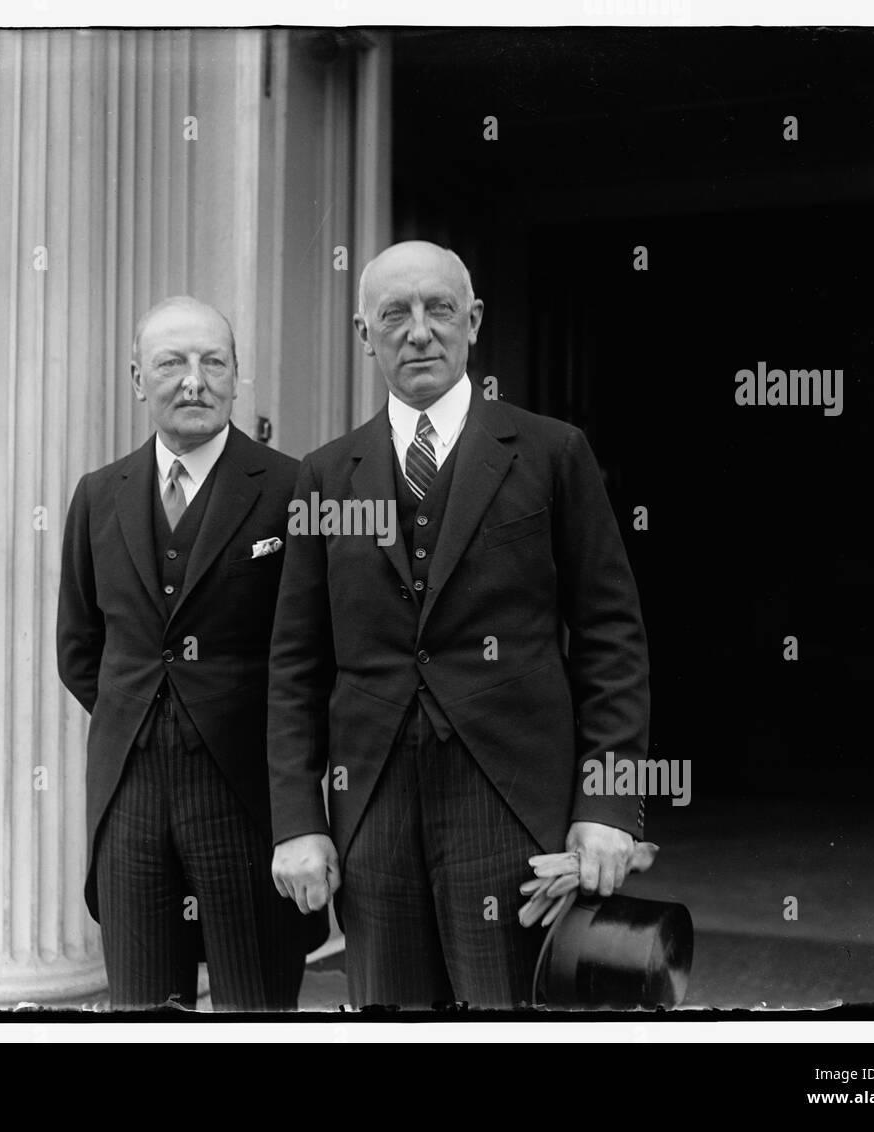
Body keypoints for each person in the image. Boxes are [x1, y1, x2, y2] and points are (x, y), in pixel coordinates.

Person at [267, 242, 650, 1008]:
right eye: (394, 314)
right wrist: (298, 821)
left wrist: (607, 808)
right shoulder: (326, 474)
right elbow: (296, 665)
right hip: (372, 815)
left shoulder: (551, 453)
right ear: (363, 332)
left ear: (472, 321)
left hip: (511, 805)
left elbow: (612, 640)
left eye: (439, 309)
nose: (419, 331)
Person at [57, 296, 326, 1010]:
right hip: (130, 795)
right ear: (139, 379)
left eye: (213, 362)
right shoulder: (97, 496)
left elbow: (315, 654)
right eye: (172, 363)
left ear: (238, 378)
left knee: (254, 1005)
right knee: (142, 1008)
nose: (194, 380)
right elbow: (81, 649)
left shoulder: (294, 487)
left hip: (247, 795)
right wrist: (145, 719)